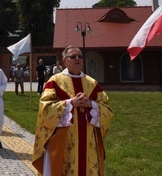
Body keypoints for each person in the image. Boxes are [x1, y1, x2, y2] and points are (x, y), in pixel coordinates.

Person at [32, 46, 114, 176]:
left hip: (88, 144)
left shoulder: (91, 83)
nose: (77, 59)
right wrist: (70, 103)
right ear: (65, 61)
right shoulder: (55, 81)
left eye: (80, 56)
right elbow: (46, 110)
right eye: (73, 56)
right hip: (63, 142)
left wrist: (91, 104)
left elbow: (108, 111)